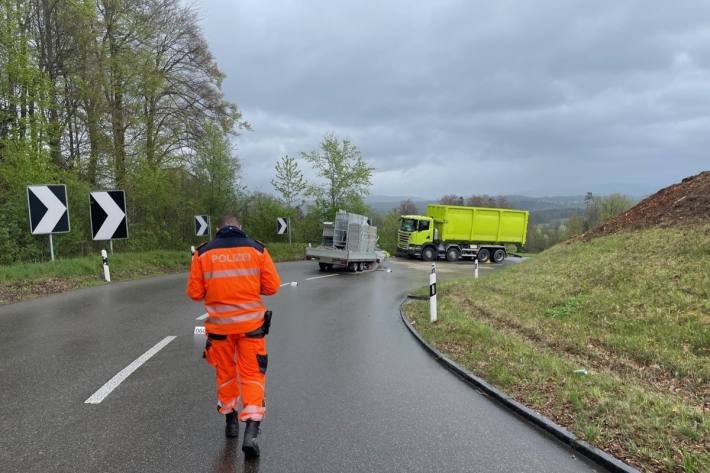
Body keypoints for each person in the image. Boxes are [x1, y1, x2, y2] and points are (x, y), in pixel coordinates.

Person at [187, 213, 281, 458]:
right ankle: (251, 432)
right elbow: (272, 287)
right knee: (252, 376)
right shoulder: (257, 250)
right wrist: (249, 284)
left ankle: (230, 422)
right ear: (241, 227)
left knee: (226, 374)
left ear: (218, 229)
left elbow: (195, 293)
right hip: (252, 328)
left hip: (219, 330)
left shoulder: (203, 253)